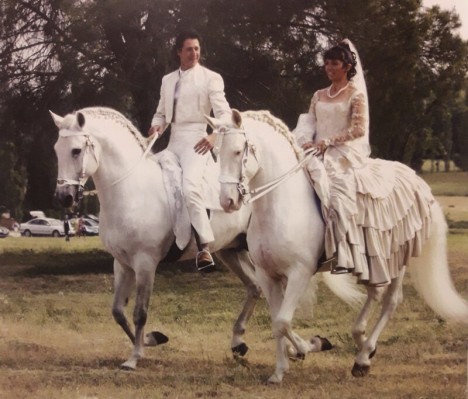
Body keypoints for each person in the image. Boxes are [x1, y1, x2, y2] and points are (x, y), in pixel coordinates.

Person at [294, 40, 434, 286]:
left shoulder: (355, 95)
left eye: (334, 63)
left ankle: (342, 250)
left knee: (337, 192)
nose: (329, 68)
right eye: (326, 63)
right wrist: (305, 140)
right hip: (315, 149)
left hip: (343, 152)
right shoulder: (318, 95)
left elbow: (358, 128)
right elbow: (309, 122)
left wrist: (328, 141)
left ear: (347, 66)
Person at [148, 30, 232, 272]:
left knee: (189, 187)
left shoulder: (210, 78)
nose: (194, 53)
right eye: (188, 49)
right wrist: (156, 126)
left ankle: (204, 246)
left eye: (197, 49)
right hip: (173, 141)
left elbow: (224, 114)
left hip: (198, 141)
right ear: (178, 52)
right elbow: (161, 113)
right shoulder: (167, 80)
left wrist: (215, 135)